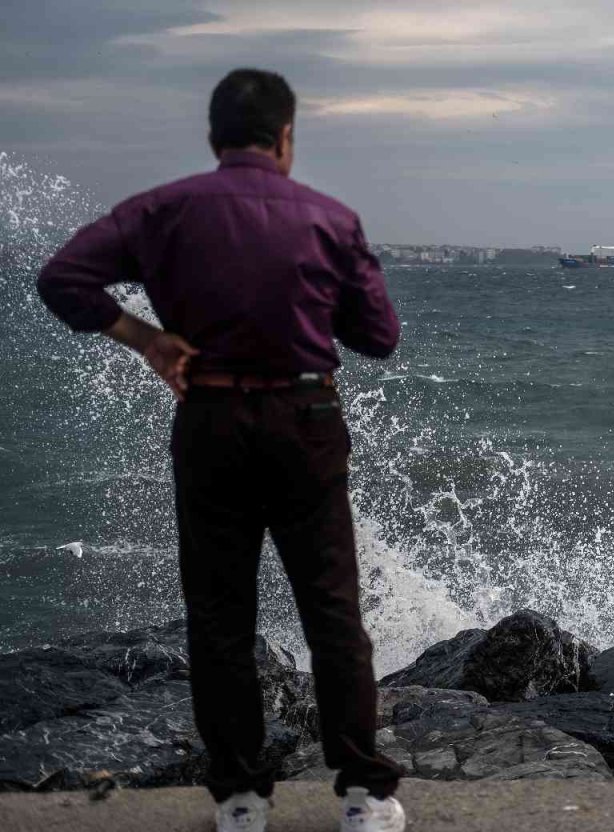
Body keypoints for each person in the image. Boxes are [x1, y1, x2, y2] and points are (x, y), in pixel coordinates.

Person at [37, 68, 406, 832]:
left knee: (219, 620)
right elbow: (379, 337)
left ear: (214, 138)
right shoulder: (330, 219)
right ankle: (364, 800)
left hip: (209, 421)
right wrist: (310, 302)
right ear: (286, 137)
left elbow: (63, 278)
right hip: (305, 421)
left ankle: (241, 802)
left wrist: (145, 338)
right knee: (333, 614)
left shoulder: (164, 209)